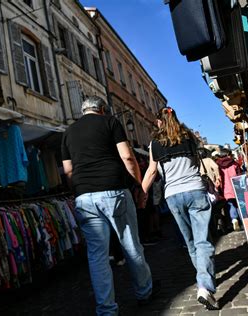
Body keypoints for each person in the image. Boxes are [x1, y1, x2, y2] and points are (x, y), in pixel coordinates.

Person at [61, 96, 156, 315]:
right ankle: (144, 292)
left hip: (84, 196)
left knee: (97, 256)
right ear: (102, 109)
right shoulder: (110, 122)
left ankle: (106, 309)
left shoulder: (68, 132)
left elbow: (68, 171)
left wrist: (79, 189)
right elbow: (127, 157)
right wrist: (139, 185)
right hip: (114, 190)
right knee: (131, 246)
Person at [141, 106, 219, 310]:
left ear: (159, 122)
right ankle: (205, 286)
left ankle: (203, 282)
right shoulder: (189, 137)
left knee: (191, 242)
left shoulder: (154, 144)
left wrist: (142, 193)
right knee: (203, 241)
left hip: (173, 195)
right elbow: (196, 162)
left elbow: (151, 172)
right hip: (195, 190)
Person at [216, 150, 242, 231]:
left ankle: (234, 219)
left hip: (225, 188)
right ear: (228, 155)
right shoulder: (234, 163)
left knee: (230, 204)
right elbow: (239, 174)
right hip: (235, 186)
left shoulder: (218, 165)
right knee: (239, 204)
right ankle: (242, 220)